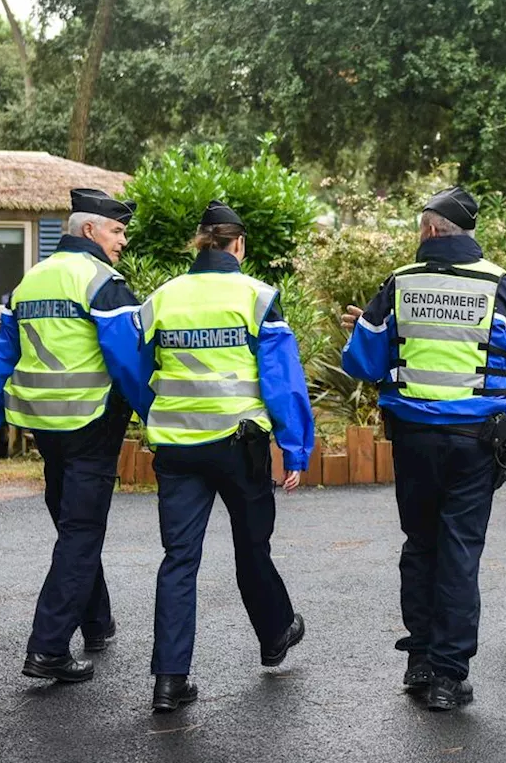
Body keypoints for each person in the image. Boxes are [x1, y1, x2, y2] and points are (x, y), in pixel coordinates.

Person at [340, 187, 506, 711]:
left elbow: (361, 362)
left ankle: (421, 661)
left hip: (413, 438)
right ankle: (449, 677)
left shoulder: (399, 284)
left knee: (420, 544)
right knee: (459, 550)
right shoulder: (501, 285)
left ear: (432, 231)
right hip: (477, 443)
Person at [0, 188, 148, 684]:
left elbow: (1, 359)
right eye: (117, 230)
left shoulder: (28, 281)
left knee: (74, 528)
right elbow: (127, 362)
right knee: (81, 532)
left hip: (43, 427)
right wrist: (156, 416)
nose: (122, 241)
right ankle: (47, 648)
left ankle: (96, 621)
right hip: (91, 423)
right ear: (89, 230)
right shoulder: (100, 281)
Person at [138, 200, 314, 712]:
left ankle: (170, 680)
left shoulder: (161, 299)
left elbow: (134, 365)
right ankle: (276, 632)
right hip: (240, 446)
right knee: (252, 547)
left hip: (177, 446)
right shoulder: (257, 297)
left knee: (179, 559)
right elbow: (282, 382)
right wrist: (295, 447)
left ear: (200, 242)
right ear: (238, 245)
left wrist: (158, 410)